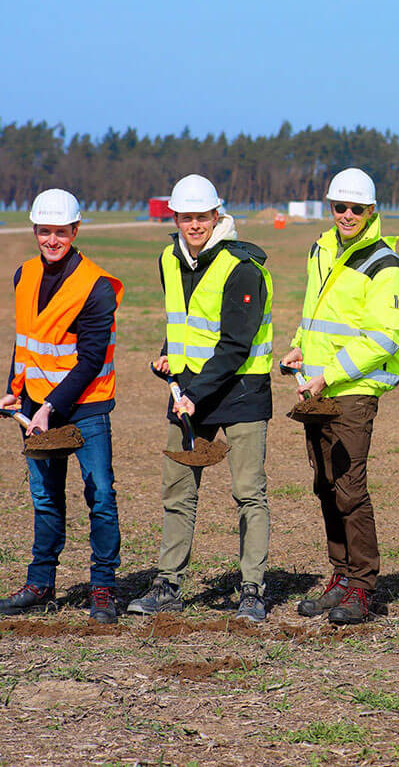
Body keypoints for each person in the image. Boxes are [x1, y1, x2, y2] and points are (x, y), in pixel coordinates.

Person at [127, 174, 274, 623]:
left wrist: (192, 393)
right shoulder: (169, 259)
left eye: (201, 217)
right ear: (175, 218)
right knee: (177, 490)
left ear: (217, 215)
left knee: (249, 492)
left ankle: (252, 589)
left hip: (241, 391)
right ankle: (167, 583)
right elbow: (182, 321)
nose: (194, 225)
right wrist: (167, 355)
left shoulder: (243, 266)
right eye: (186, 217)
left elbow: (235, 344)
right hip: (189, 391)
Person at [284, 168, 399, 625]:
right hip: (316, 390)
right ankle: (339, 576)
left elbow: (384, 337)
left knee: (349, 488)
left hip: (352, 392)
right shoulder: (322, 250)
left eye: (357, 208)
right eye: (340, 206)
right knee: (324, 485)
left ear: (372, 211)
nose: (347, 215)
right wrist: (300, 343)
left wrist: (330, 375)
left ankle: (362, 585)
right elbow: (316, 310)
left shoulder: (385, 265)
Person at [0, 189, 123, 623]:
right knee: (45, 497)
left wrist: (50, 407)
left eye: (61, 232)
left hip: (85, 406)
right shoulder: (24, 275)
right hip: (34, 405)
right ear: (35, 230)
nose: (52, 240)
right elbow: (25, 340)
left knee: (101, 495)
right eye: (44, 231)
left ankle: (104, 586)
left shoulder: (97, 286)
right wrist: (14, 389)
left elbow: (90, 360)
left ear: (76, 230)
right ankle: (40, 583)